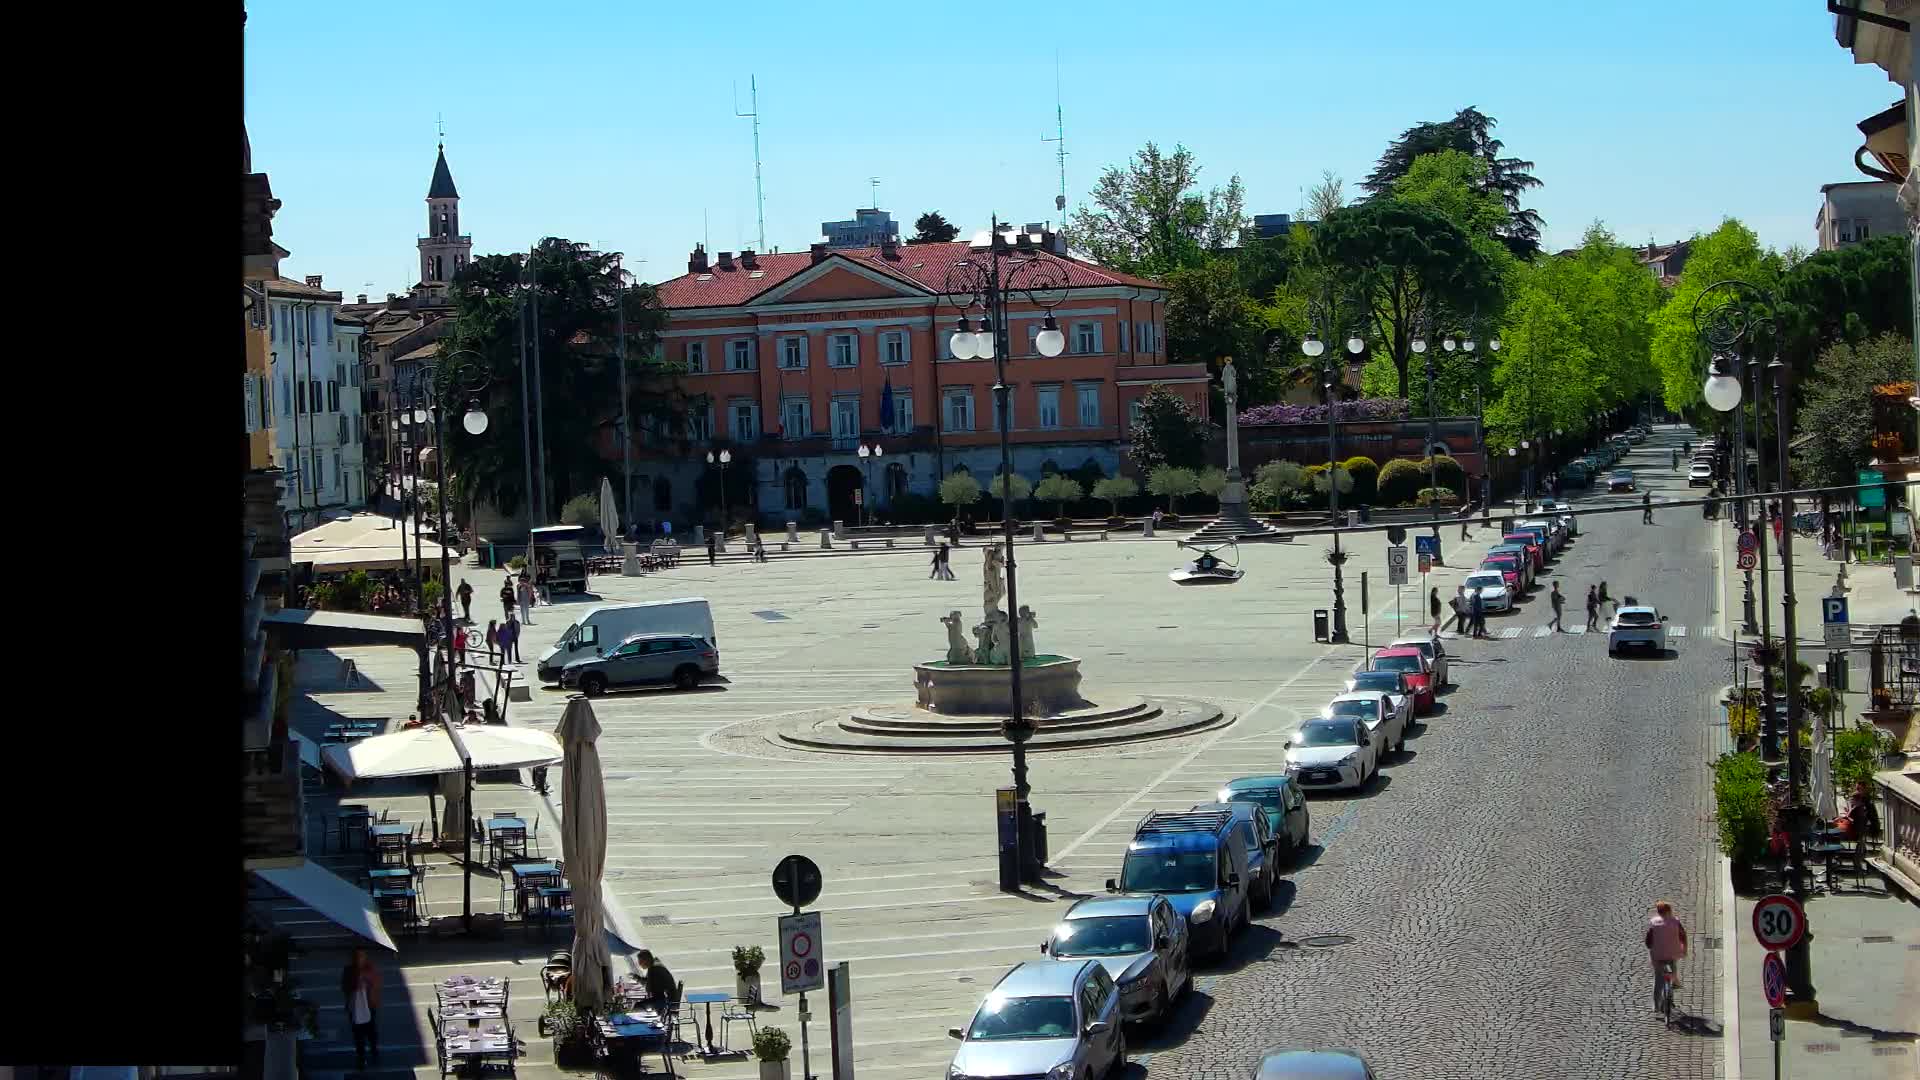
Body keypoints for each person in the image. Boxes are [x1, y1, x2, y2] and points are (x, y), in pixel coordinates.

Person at [1643, 901, 1689, 1022]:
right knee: (1672, 970)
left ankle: (1656, 1007)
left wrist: (1653, 947)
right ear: (1669, 910)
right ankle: (1674, 983)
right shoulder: (1676, 922)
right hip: (1672, 953)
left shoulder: (1653, 923)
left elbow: (1648, 942)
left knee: (1658, 980)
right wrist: (1684, 949)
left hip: (1657, 956)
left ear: (1658, 912)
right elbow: (1683, 936)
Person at [341, 947, 381, 1069]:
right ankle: (361, 1058)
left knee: (371, 1032)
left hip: (369, 1005)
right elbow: (345, 987)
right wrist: (355, 983)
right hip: (354, 1007)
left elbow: (376, 983)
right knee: (358, 1035)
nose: (359, 959)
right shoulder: (348, 971)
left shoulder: (369, 969)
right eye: (357, 956)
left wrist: (366, 980)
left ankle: (374, 1051)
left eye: (362, 956)